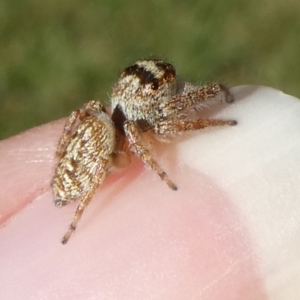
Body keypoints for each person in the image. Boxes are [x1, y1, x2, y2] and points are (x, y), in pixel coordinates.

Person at [0, 86, 299, 300]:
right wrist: (159, 172)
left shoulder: (127, 123)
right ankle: (77, 216)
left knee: (143, 126)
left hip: (133, 101)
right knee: (117, 133)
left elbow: (109, 119)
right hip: (113, 118)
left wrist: (217, 111)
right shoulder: (113, 133)